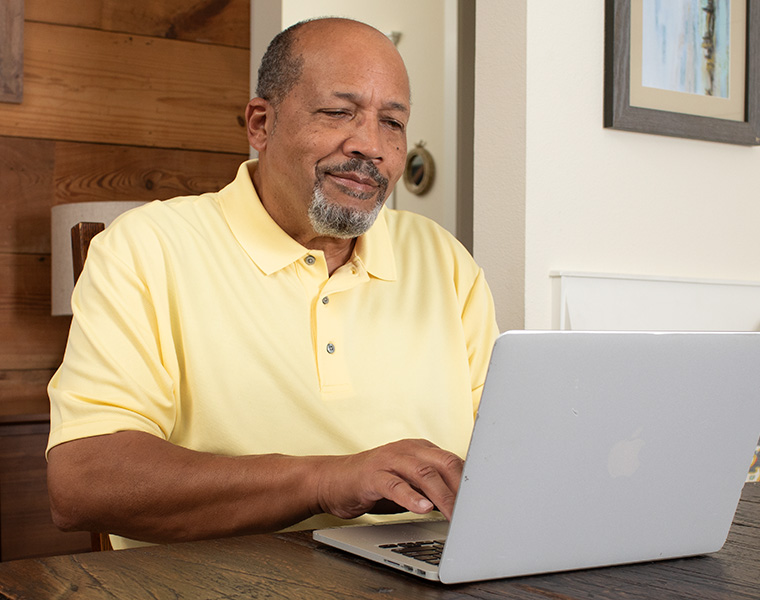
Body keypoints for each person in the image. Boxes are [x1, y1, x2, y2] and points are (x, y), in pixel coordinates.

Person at [46, 17, 498, 550]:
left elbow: (507, 452)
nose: (371, 146)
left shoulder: (443, 258)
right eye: (338, 112)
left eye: (393, 123)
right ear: (261, 123)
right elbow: (83, 482)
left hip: (430, 572)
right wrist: (328, 481)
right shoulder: (146, 247)